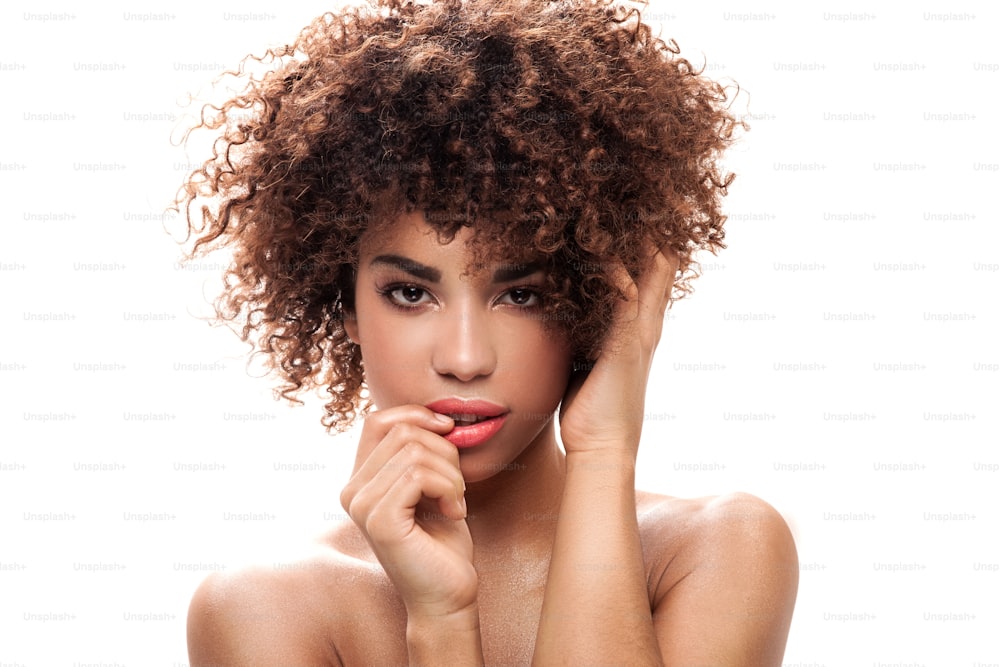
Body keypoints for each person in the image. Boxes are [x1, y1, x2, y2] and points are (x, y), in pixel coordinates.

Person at [175, 0, 798, 664]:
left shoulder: (718, 550)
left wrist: (603, 452)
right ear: (344, 302)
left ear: (592, 301)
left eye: (521, 293)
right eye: (410, 293)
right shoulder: (264, 612)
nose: (465, 358)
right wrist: (440, 620)